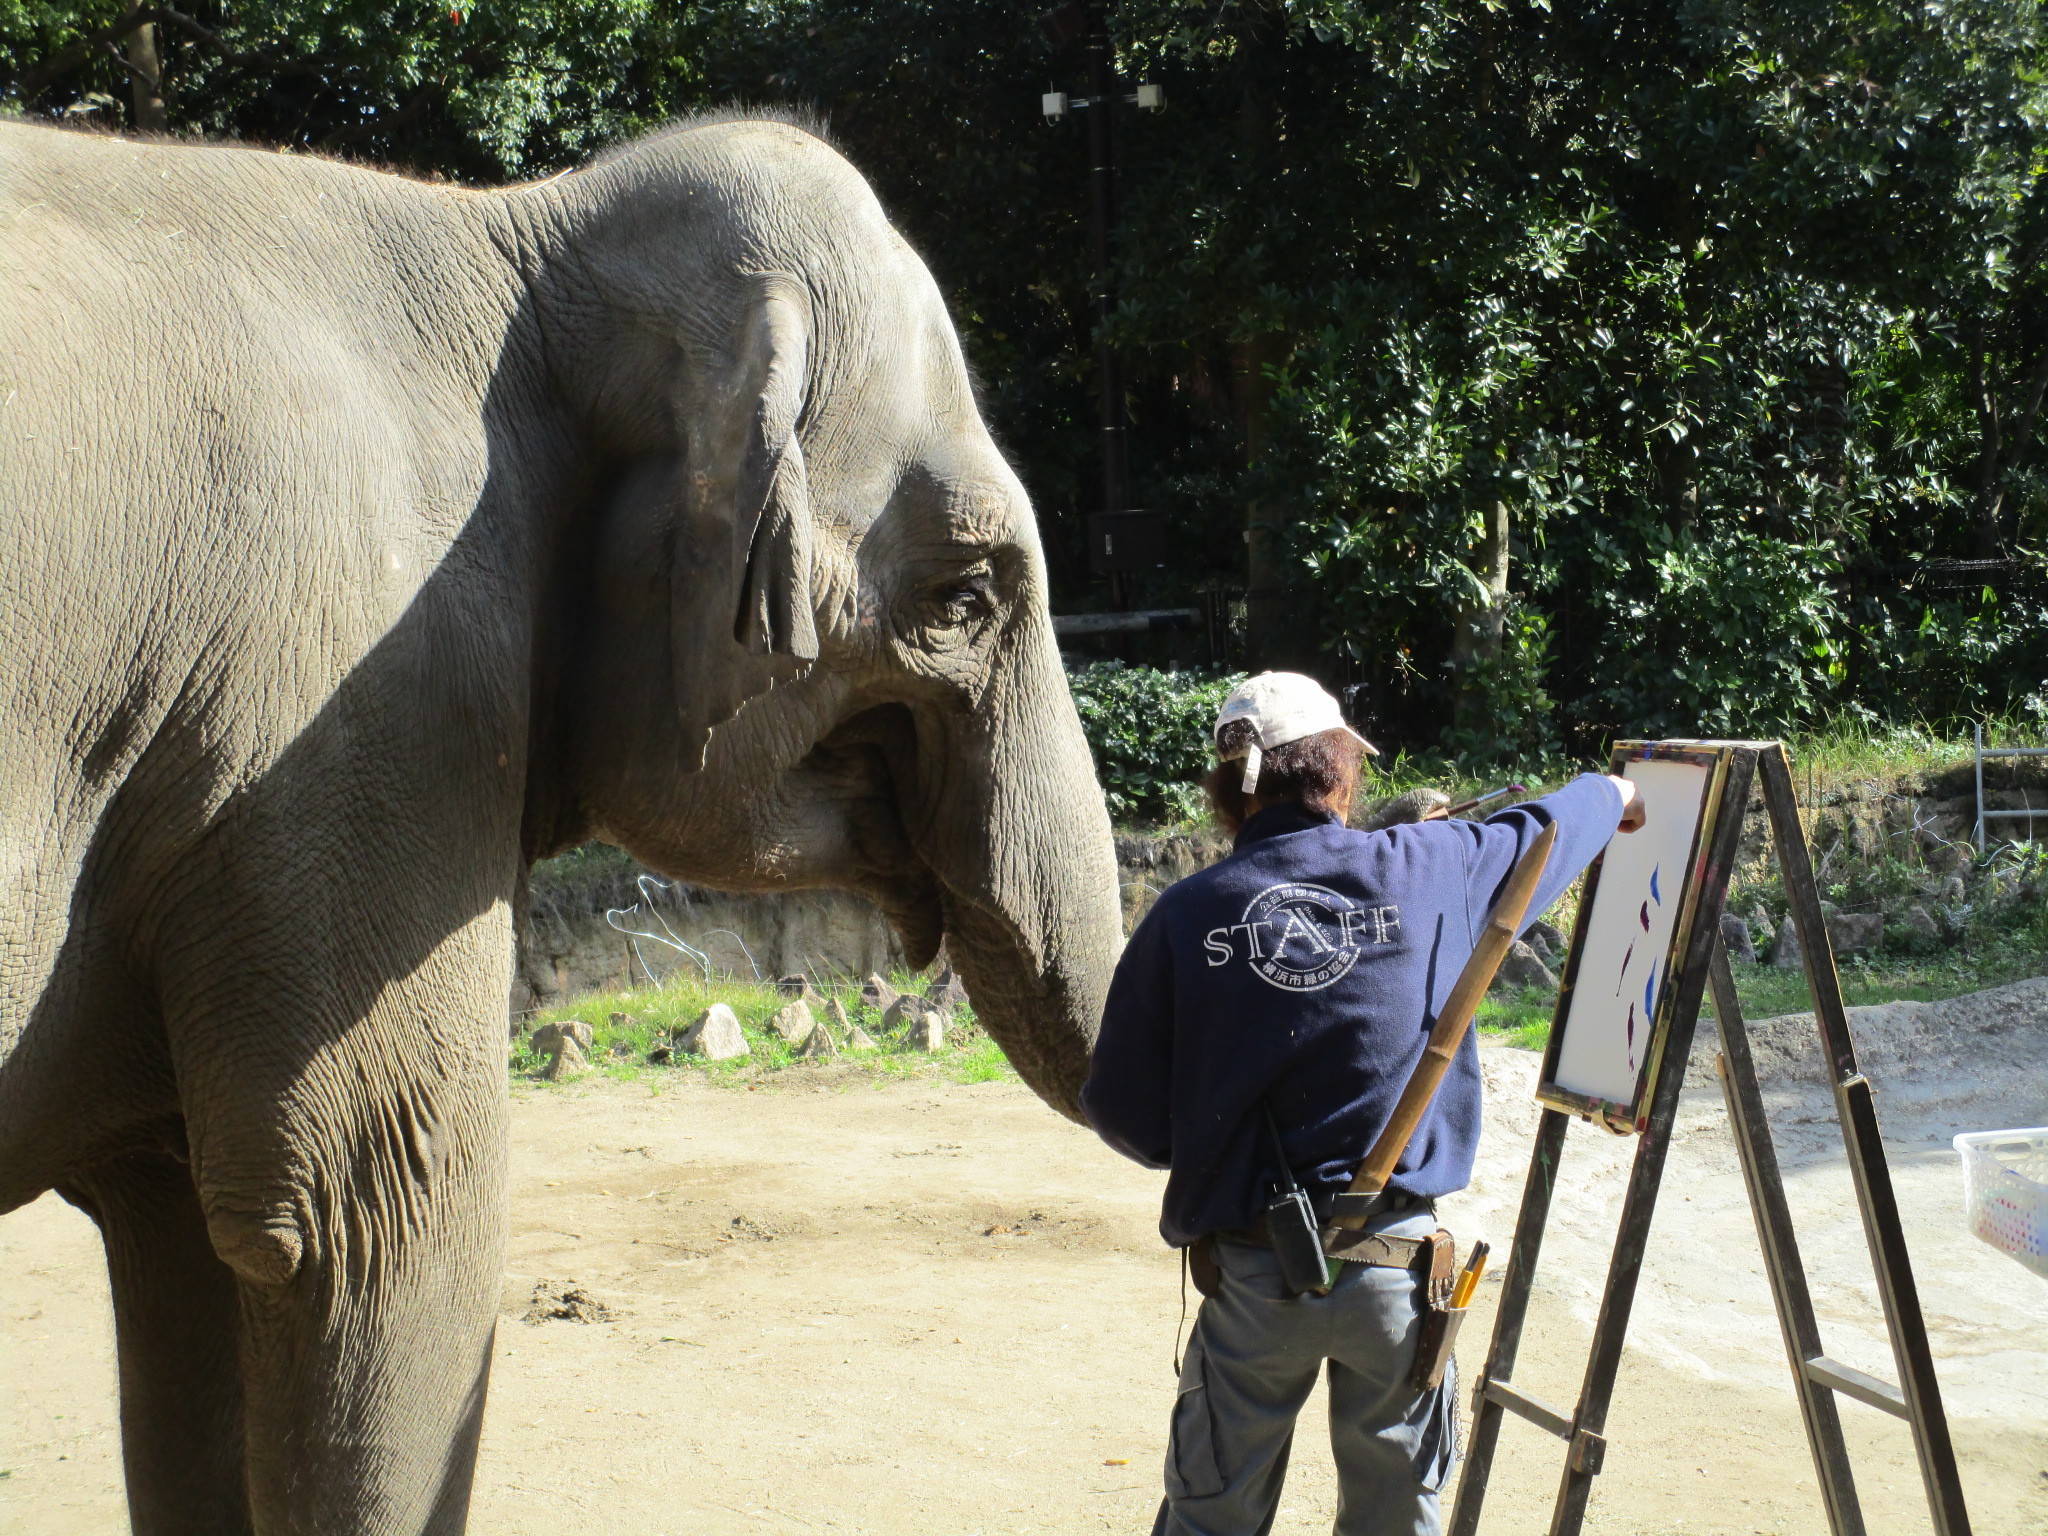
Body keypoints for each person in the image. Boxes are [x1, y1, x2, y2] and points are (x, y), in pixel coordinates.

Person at [1082, 672, 1644, 1536]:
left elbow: (1120, 1109)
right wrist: (1618, 790)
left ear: (1229, 792)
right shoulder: (1430, 866)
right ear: (1340, 774)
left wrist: (1206, 1144)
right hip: (1398, 1272)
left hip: (1253, 1274)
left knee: (1209, 1518)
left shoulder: (1183, 915)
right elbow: (1551, 829)